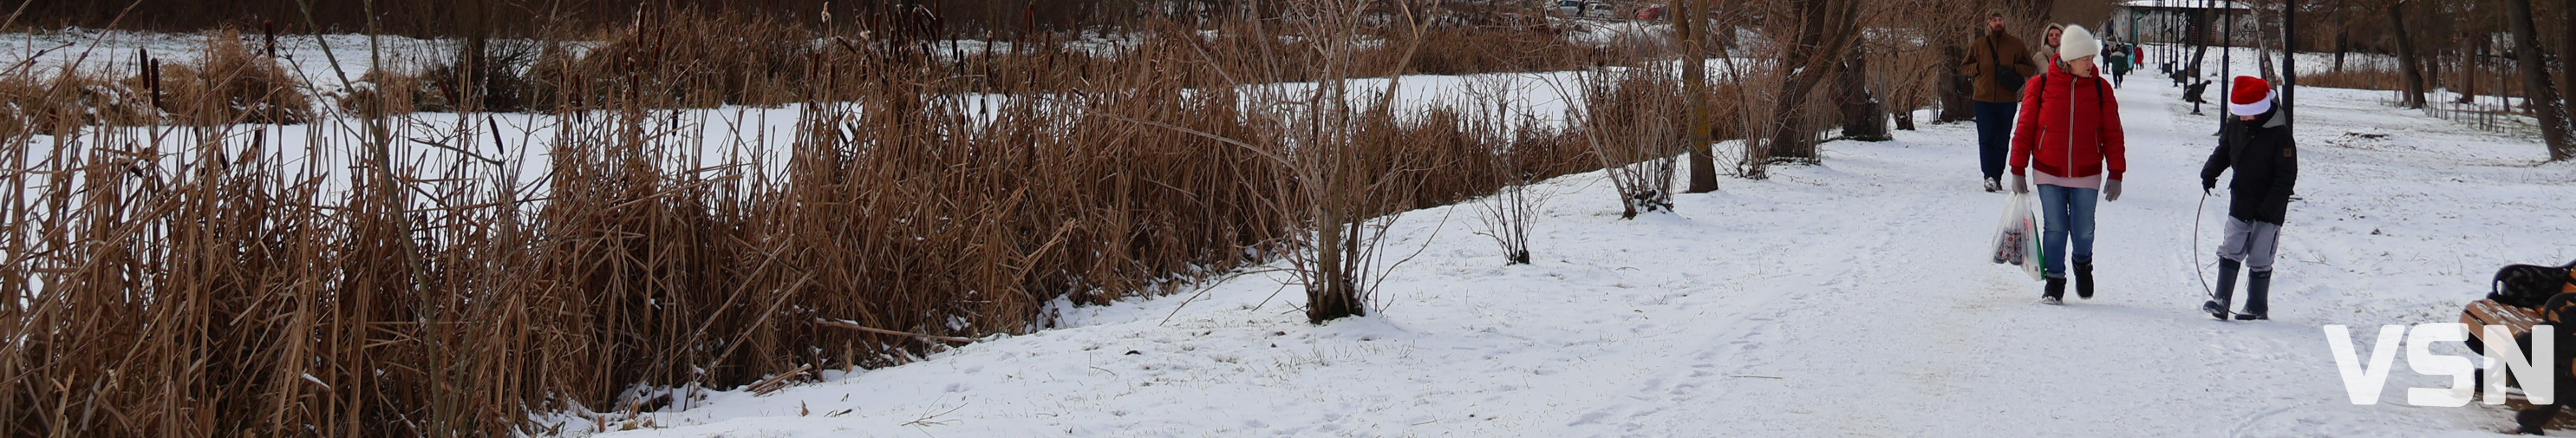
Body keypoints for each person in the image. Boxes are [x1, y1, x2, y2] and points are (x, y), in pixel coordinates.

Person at [2011, 24, 2126, 304]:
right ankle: (2055, 281)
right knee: (2055, 227)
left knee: (2084, 229)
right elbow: (2024, 127)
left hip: (2087, 170)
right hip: (2048, 168)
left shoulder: (2101, 89)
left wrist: (2117, 172)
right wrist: (2017, 168)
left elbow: (2113, 132)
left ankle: (2082, 263)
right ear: (2070, 58)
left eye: (2092, 58)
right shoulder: (2041, 85)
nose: (2091, 63)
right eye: (2085, 58)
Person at [2199, 75, 2298, 321]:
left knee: (2260, 256)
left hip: (2269, 209)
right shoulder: (2235, 125)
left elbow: (2286, 177)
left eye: (2248, 113)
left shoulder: (2280, 135)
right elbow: (2224, 150)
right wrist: (2210, 172)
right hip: (2241, 200)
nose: (2243, 118)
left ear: (2261, 108)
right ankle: (2221, 300)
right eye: (2240, 113)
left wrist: (2269, 208)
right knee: (2230, 248)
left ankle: (2256, 305)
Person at [1960, 11, 2039, 193]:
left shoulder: (2016, 44)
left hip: (2007, 99)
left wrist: (2013, 68)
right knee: (1986, 137)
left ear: (2004, 22)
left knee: (2001, 139)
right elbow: (1965, 67)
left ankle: (1997, 175)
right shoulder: (1979, 45)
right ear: (1989, 24)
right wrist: (1978, 68)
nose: (1998, 23)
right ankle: (1988, 175)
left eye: (2000, 20)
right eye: (1994, 20)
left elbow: (2030, 67)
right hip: (1983, 98)